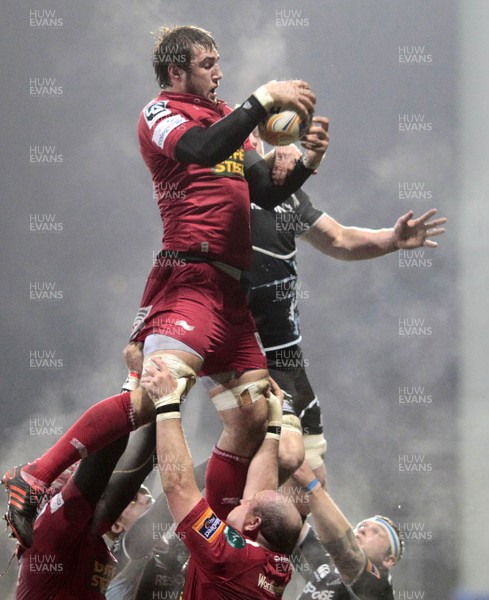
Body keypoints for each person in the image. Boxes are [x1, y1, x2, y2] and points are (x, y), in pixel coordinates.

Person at [2, 24, 328, 550]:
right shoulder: (160, 113)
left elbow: (264, 192)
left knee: (255, 416)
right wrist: (264, 98)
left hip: (233, 296)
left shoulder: (229, 119)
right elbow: (200, 150)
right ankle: (34, 476)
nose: (219, 72)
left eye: (220, 62)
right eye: (207, 64)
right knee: (157, 397)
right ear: (176, 72)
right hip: (189, 278)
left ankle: (214, 546)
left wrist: (305, 160)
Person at [247, 130, 447, 490]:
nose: (250, 142)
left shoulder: (287, 196)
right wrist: (293, 156)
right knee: (286, 461)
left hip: (288, 355)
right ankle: (189, 522)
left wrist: (392, 240)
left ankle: (246, 537)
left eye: (253, 133)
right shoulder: (226, 188)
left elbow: (339, 239)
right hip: (248, 352)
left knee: (313, 482)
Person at [142, 356, 303, 599]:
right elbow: (259, 492)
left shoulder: (230, 556)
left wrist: (167, 402)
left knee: (281, 450)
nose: (242, 500)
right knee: (286, 454)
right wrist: (274, 425)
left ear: (253, 523)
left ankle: (206, 355)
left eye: (247, 505)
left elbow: (179, 487)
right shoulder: (278, 568)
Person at [13, 425, 156, 599]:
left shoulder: (84, 532)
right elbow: (103, 462)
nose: (104, 490)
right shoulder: (49, 530)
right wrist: (132, 407)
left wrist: (162, 407)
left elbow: (137, 469)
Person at [289, 461, 403, 599]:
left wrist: (313, 486)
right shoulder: (326, 565)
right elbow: (288, 521)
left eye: (376, 531)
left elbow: (348, 553)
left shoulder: (381, 587)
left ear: (388, 560)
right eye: (361, 526)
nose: (362, 530)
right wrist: (291, 467)